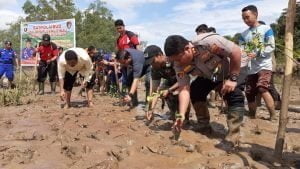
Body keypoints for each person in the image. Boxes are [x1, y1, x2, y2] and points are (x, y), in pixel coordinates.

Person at [164, 34, 245, 145]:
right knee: (196, 90)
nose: (178, 63)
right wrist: (181, 115)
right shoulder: (178, 65)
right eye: (174, 61)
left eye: (178, 59)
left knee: (234, 94)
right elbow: (184, 89)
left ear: (187, 49)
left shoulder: (208, 42)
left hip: (232, 69)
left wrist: (233, 78)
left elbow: (236, 51)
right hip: (211, 76)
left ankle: (233, 134)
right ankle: (203, 125)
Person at [240, 5, 276, 120]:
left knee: (262, 88)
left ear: (255, 15)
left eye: (247, 17)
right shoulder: (243, 35)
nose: (245, 20)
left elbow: (271, 46)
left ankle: (273, 116)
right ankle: (252, 116)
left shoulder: (266, 29)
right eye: (243, 18)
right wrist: (245, 54)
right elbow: (242, 50)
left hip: (264, 65)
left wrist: (258, 53)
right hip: (251, 67)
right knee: (249, 92)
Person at [144, 45, 191, 122]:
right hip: (170, 82)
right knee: (162, 92)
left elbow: (184, 80)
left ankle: (186, 117)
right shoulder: (155, 69)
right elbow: (154, 91)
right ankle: (174, 114)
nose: (152, 64)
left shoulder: (173, 60)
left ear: (159, 55)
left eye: (153, 61)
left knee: (179, 93)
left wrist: (169, 90)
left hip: (183, 81)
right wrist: (150, 109)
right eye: (150, 63)